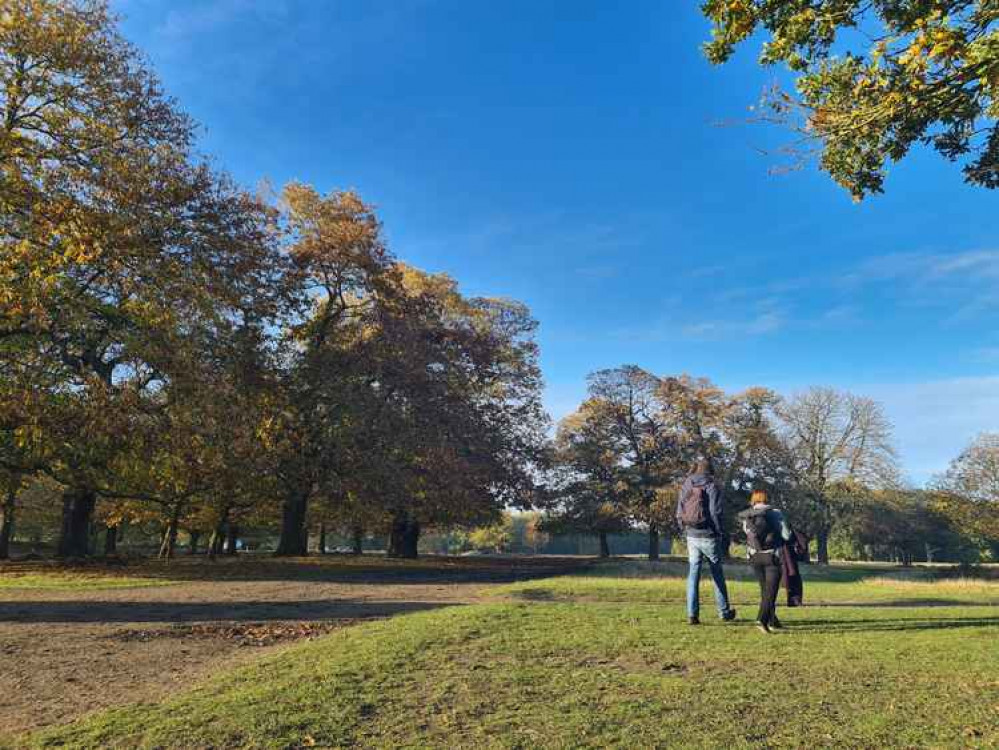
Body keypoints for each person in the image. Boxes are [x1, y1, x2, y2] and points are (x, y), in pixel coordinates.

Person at [676, 458, 736, 625]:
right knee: (717, 573)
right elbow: (715, 512)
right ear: (710, 470)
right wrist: (719, 532)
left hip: (691, 535)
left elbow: (679, 508)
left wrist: (683, 528)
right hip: (709, 535)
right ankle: (724, 612)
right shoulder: (712, 485)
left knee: (693, 574)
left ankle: (692, 614)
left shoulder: (687, 482)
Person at [738, 489, 792, 634]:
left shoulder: (747, 515)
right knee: (771, 591)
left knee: (765, 589)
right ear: (767, 499)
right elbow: (787, 535)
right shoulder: (775, 513)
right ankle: (762, 619)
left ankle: (772, 620)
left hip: (754, 556)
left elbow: (748, 533)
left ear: (753, 499)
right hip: (771, 556)